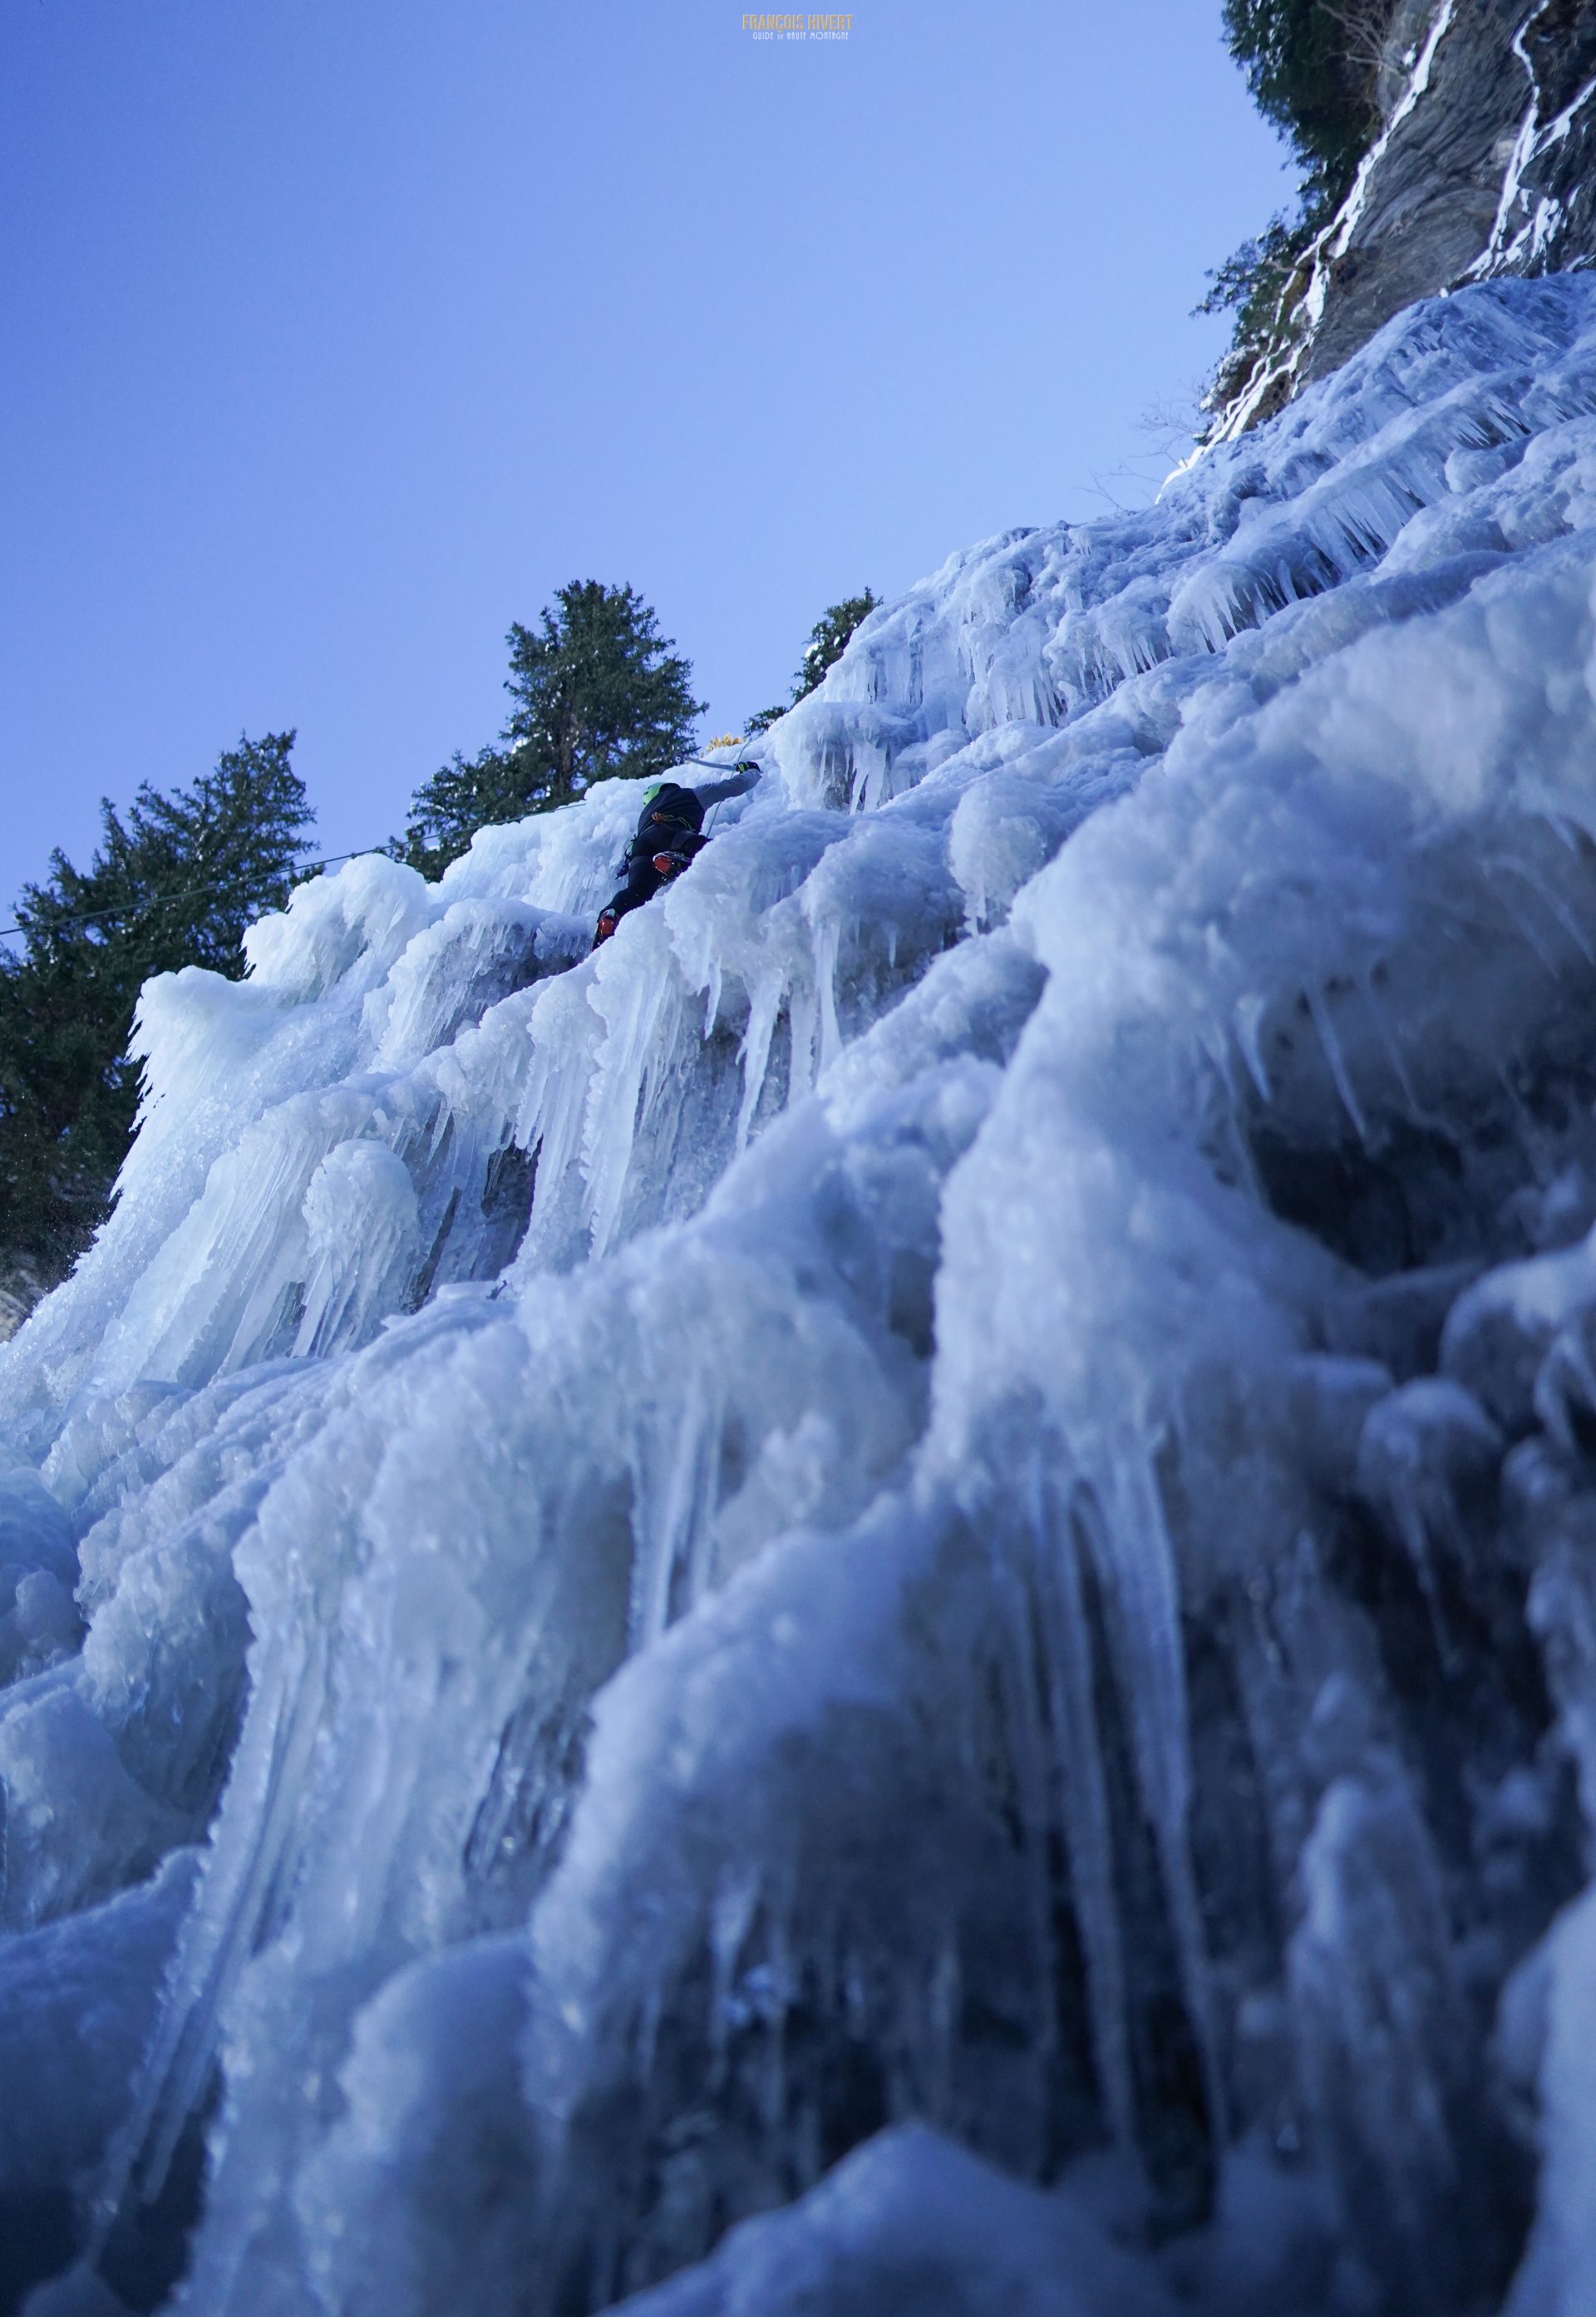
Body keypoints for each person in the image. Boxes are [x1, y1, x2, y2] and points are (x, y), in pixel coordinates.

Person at [593, 762, 761, 946]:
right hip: (672, 835)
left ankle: (612, 914)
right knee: (712, 851)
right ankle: (675, 861)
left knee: (636, 892)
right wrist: (753, 771)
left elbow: (631, 853)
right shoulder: (691, 794)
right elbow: (734, 786)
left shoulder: (644, 816)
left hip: (641, 847)